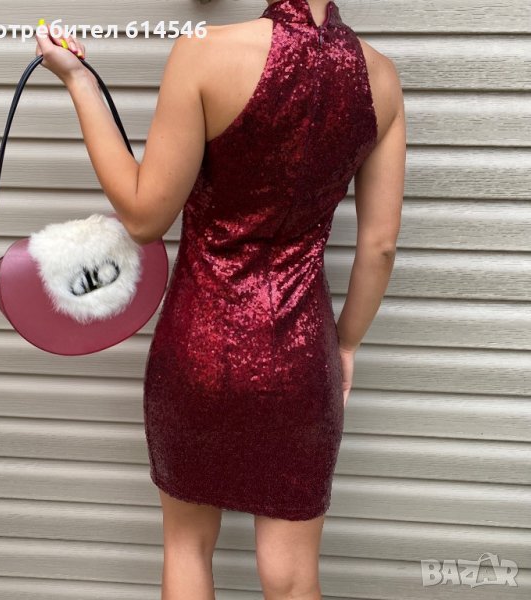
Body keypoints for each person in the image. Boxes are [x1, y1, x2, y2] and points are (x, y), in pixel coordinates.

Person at [35, 0, 405, 596]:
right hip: (300, 354)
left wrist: (79, 80)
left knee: (187, 547)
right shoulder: (381, 78)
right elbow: (380, 246)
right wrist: (347, 344)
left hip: (197, 346)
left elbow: (144, 216)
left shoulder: (204, 51)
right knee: (290, 576)